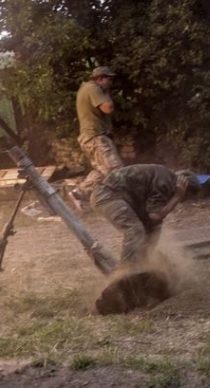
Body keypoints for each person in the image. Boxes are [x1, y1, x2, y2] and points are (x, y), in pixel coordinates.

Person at [90, 164, 200, 266]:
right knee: (135, 230)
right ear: (183, 186)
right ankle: (127, 273)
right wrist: (177, 196)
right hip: (106, 195)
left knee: (153, 228)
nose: (181, 201)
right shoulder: (166, 181)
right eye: (185, 197)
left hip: (118, 196)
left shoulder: (166, 178)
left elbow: (154, 221)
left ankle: (147, 265)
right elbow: (155, 215)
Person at [70, 66, 125, 211]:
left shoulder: (85, 88)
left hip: (89, 137)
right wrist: (106, 92)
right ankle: (123, 202)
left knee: (101, 172)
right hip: (96, 138)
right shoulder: (93, 89)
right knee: (117, 171)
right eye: (109, 79)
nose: (111, 82)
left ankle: (78, 193)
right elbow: (108, 108)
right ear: (101, 79)